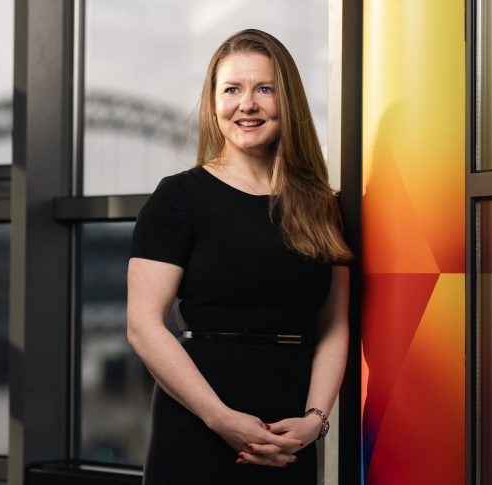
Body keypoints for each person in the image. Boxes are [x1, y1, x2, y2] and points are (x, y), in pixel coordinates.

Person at [126, 29, 352, 484]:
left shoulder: (321, 204)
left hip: (291, 436)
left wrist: (315, 420)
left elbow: (334, 326)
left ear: (287, 102)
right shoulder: (179, 197)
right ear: (214, 104)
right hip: (199, 426)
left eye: (264, 89)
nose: (247, 104)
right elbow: (143, 326)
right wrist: (220, 419)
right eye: (232, 89)